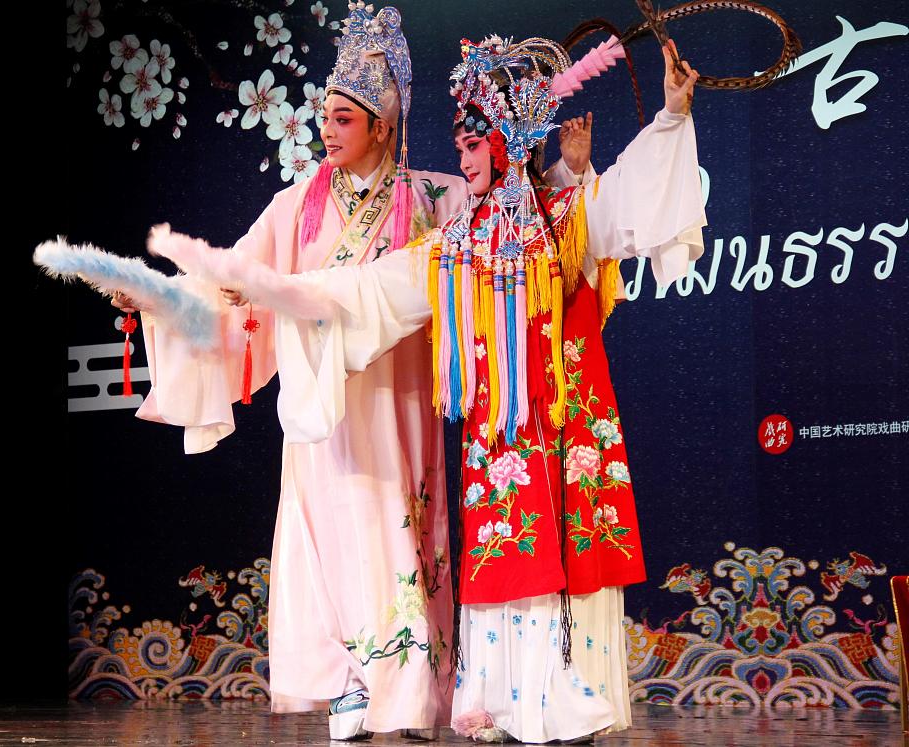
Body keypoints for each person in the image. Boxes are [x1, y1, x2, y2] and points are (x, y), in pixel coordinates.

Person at [147, 33, 704, 743]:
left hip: (561, 421)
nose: (464, 160)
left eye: (474, 145)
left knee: (561, 552)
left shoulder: (558, 215)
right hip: (496, 434)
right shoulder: (455, 239)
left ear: (503, 145)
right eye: (461, 146)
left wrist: (671, 115)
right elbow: (371, 288)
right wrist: (267, 287)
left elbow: (627, 200)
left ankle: (560, 698)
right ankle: (497, 702)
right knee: (502, 546)